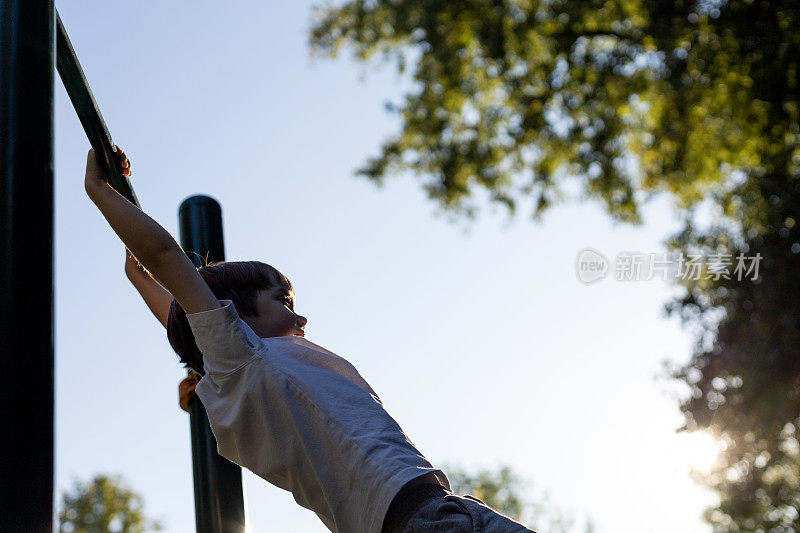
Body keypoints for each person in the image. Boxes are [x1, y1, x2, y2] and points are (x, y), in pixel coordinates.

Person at [85, 148, 536, 533]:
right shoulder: (241, 361)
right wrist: (100, 193)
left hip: (450, 504)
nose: (299, 315)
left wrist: (136, 273)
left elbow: (162, 292)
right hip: (414, 519)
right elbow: (167, 260)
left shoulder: (249, 367)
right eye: (282, 300)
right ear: (236, 313)